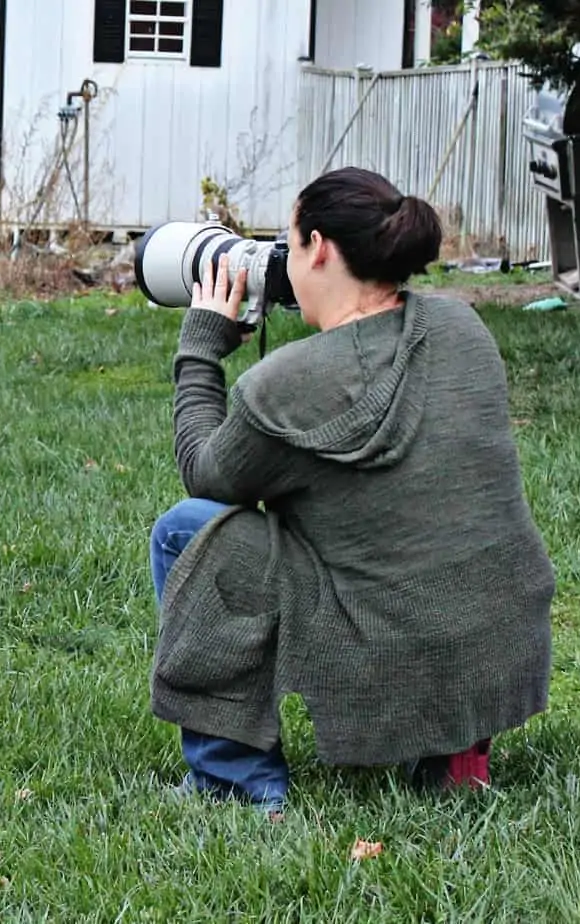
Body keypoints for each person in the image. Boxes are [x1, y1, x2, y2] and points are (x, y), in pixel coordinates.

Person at [149, 166, 555, 811]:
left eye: (287, 242)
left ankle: (235, 780)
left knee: (186, 529)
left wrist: (201, 349)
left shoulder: (283, 385)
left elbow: (208, 474)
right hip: (496, 636)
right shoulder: (462, 328)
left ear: (320, 248)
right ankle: (454, 752)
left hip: (386, 643)